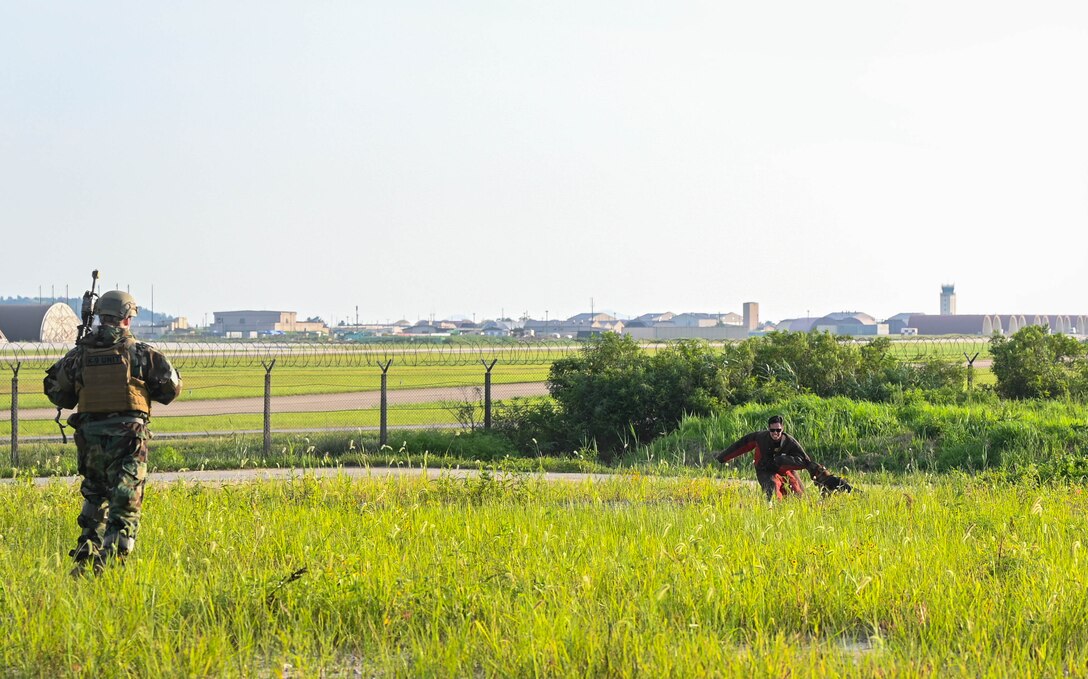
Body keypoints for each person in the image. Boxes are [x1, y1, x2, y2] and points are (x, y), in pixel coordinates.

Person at [44, 290, 182, 576]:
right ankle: (111, 570)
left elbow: (56, 392)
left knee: (95, 496)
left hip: (90, 439)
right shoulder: (141, 352)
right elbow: (171, 388)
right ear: (127, 319)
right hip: (128, 438)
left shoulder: (79, 354)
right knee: (124, 502)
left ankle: (85, 559)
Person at [715, 415, 849, 501]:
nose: (775, 433)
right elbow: (741, 445)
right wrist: (723, 458)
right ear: (769, 429)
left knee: (799, 496)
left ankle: (844, 488)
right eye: (772, 430)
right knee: (773, 490)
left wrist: (820, 475)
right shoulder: (760, 438)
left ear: (782, 429)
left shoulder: (789, 441)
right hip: (765, 470)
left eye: (778, 430)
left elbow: (805, 460)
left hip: (783, 468)